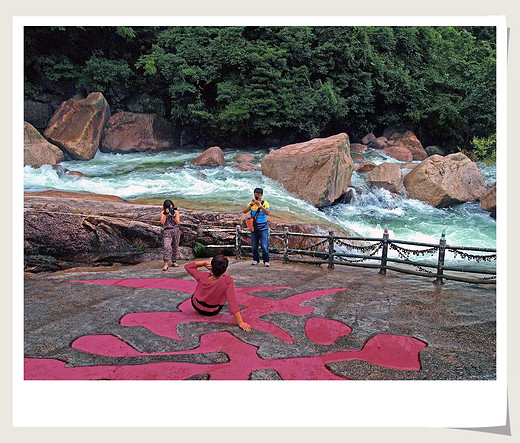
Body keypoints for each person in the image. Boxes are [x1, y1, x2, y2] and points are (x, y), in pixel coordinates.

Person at [184, 255, 251, 331]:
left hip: (196, 306)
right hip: (212, 311)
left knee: (199, 291)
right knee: (225, 291)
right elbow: (232, 302)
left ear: (211, 267)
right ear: (225, 270)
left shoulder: (202, 276)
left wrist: (203, 263)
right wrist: (240, 322)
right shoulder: (228, 281)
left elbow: (187, 266)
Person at [242, 187, 271, 266]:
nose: (256, 196)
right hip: (254, 228)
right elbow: (244, 211)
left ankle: (266, 261)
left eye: (258, 195)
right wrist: (251, 204)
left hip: (263, 228)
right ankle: (256, 259)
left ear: (261, 195)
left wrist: (260, 205)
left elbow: (268, 212)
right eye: (255, 195)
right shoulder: (251, 203)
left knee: (264, 246)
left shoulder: (265, 203)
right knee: (254, 246)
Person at [161, 199, 181, 270]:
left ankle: (174, 261)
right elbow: (163, 222)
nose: (170, 208)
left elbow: (177, 222)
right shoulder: (163, 212)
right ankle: (166, 263)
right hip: (167, 231)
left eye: (171, 207)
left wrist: (173, 215)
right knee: (167, 246)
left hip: (175, 230)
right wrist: (166, 214)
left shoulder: (176, 212)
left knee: (175, 247)